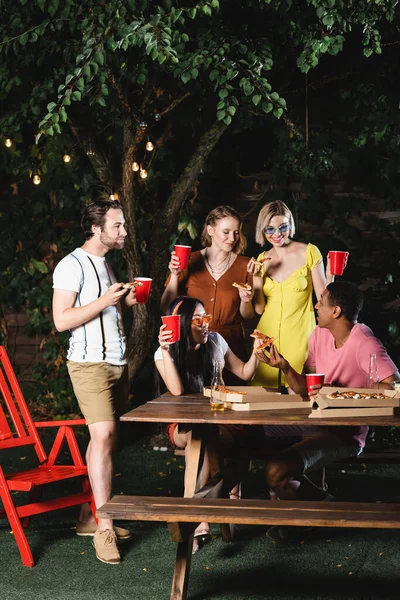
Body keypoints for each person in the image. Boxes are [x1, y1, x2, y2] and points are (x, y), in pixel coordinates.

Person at [255, 280, 399, 542]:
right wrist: (285, 367)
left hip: (344, 433)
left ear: (336, 311)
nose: (316, 305)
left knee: (276, 470)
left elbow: (393, 385)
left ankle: (323, 511)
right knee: (247, 434)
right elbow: (306, 389)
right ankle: (312, 512)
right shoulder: (319, 335)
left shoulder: (364, 341)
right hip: (311, 421)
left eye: (321, 300)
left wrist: (340, 393)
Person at [52, 199, 137, 564]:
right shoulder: (71, 265)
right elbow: (62, 320)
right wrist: (105, 300)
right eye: (117, 226)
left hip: (116, 362)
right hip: (88, 364)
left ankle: (90, 515)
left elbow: (106, 311)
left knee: (107, 438)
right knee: (102, 436)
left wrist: (125, 301)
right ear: (96, 228)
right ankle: (104, 526)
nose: (123, 232)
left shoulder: (106, 264)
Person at [155, 296, 264, 552]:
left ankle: (191, 515)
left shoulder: (215, 341)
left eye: (206, 317)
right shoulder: (164, 352)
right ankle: (200, 511)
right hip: (182, 425)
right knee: (201, 433)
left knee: (206, 437)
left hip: (223, 421)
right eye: (196, 320)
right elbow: (178, 391)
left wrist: (258, 350)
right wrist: (165, 350)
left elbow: (245, 373)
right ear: (180, 324)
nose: (205, 324)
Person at [161, 206, 254, 384]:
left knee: (234, 401)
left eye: (236, 232)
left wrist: (246, 300)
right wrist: (174, 274)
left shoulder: (245, 265)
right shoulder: (188, 260)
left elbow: (247, 315)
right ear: (210, 230)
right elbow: (166, 307)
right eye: (226, 232)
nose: (232, 238)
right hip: (194, 347)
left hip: (232, 346)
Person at [248, 200, 332, 390]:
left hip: (301, 337)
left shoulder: (309, 252)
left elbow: (323, 300)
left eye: (282, 227)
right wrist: (255, 278)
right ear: (262, 230)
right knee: (264, 406)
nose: (277, 234)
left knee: (302, 398)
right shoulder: (262, 259)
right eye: (269, 229)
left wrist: (330, 276)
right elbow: (260, 308)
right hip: (266, 337)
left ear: (290, 225)